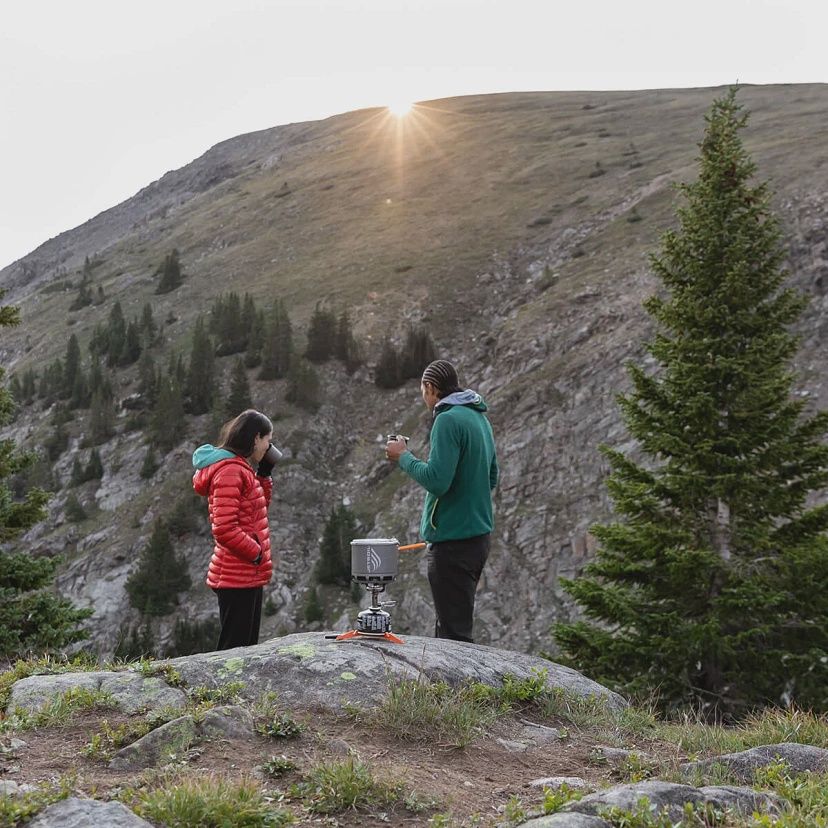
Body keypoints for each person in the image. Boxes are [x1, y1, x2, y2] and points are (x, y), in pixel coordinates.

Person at [386, 359, 498, 643]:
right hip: (478, 539)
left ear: (431, 388)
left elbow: (437, 481)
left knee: (453, 636)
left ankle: (461, 676)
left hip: (452, 543)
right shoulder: (479, 418)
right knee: (455, 625)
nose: (423, 397)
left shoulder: (446, 420)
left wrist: (403, 457)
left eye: (423, 390)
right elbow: (492, 477)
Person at [192, 409, 277, 650]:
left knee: (245, 650)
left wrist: (264, 475)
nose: (269, 447)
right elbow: (224, 528)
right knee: (234, 651)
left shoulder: (240, 467)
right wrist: (256, 552)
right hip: (236, 574)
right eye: (268, 441)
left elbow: (254, 512)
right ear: (256, 438)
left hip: (246, 573)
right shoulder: (230, 470)